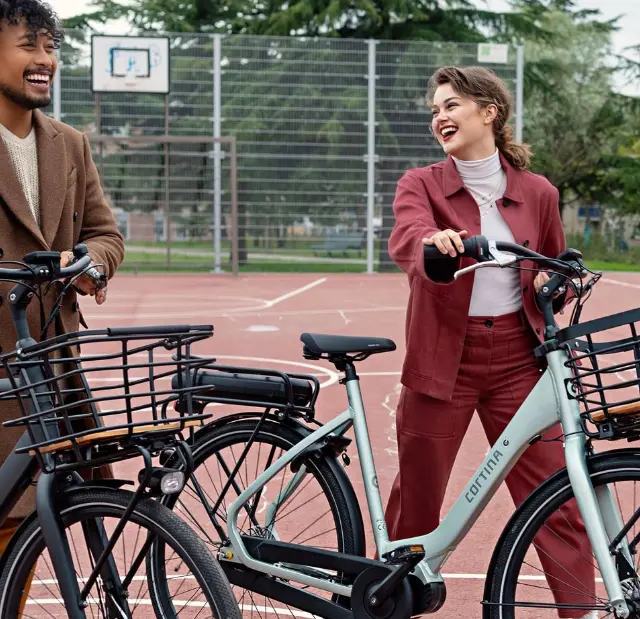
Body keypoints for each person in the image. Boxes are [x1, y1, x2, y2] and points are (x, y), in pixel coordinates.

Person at [383, 66, 596, 618]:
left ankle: (583, 612)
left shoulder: (538, 192)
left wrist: (560, 282)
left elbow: (554, 269)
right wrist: (434, 242)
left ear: (489, 112)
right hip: (441, 361)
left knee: (556, 497)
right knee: (417, 504)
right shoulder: (421, 184)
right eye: (435, 109)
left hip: (518, 364)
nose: (440, 116)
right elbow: (408, 238)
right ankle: (393, 602)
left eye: (451, 105)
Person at [0, 0, 125, 609]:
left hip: (53, 364)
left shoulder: (69, 144)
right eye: (29, 45)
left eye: (51, 47)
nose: (45, 60)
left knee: (38, 518)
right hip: (1, 365)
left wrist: (91, 264)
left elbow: (106, 232)